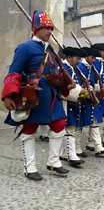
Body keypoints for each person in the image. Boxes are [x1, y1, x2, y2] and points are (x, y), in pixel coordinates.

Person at [1, 10, 70, 181]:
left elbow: (54, 72)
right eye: (46, 28)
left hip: (51, 95)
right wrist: (9, 96)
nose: (49, 31)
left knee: (60, 123)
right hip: (34, 95)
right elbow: (14, 72)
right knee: (30, 128)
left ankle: (54, 162)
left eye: (51, 28)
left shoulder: (51, 50)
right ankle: (29, 167)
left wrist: (64, 82)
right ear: (36, 29)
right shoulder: (25, 47)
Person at [77, 47, 104, 157]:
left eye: (95, 58)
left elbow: (95, 82)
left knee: (95, 122)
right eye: (92, 57)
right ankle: (76, 148)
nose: (93, 60)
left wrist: (101, 89)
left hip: (91, 98)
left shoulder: (92, 68)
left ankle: (98, 146)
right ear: (86, 57)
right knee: (79, 125)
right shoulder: (80, 67)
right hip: (81, 99)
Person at [59, 47, 87, 166]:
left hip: (73, 102)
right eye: (77, 58)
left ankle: (65, 153)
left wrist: (85, 91)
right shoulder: (63, 69)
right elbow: (61, 87)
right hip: (64, 102)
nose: (79, 61)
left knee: (70, 128)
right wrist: (79, 91)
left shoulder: (73, 69)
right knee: (68, 128)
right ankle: (71, 155)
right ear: (69, 57)